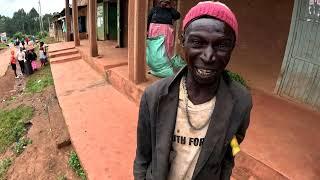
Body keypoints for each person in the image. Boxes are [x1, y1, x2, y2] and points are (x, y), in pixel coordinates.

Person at [134, 2, 253, 180]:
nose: (208, 56)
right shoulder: (154, 96)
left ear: (232, 47)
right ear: (183, 41)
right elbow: (143, 155)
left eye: (221, 45)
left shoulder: (240, 102)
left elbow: (231, 151)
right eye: (197, 42)